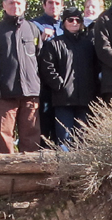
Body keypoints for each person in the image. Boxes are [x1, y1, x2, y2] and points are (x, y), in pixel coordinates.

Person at [0, 0, 44, 152]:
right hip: (5, 94)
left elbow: (40, 59)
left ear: (24, 5)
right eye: (11, 2)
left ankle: (30, 175)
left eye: (18, 2)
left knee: (31, 135)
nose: (15, 6)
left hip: (30, 92)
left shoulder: (33, 29)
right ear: (4, 5)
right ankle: (6, 174)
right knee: (4, 135)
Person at [40, 8, 100, 148]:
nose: (74, 23)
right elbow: (47, 68)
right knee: (64, 141)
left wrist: (93, 88)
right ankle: (65, 170)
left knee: (83, 141)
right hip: (63, 100)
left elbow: (96, 67)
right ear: (64, 22)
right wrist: (59, 85)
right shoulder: (53, 43)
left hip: (85, 100)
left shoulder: (88, 44)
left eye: (78, 20)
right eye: (70, 19)